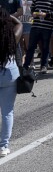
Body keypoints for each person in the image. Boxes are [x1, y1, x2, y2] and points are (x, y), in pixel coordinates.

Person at [24, 0, 53, 73]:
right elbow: (33, 8)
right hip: (35, 25)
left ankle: (44, 65)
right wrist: (33, 13)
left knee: (45, 47)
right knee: (31, 46)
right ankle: (26, 65)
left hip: (47, 26)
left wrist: (46, 15)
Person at [0, 9, 22, 157]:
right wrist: (9, 17)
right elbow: (19, 23)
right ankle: (3, 146)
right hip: (9, 74)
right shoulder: (11, 36)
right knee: (7, 112)